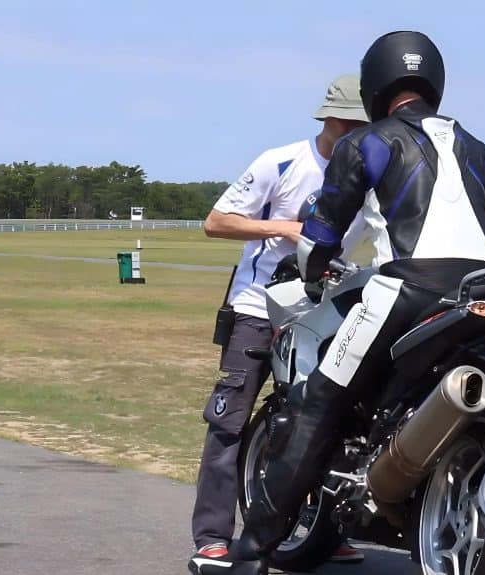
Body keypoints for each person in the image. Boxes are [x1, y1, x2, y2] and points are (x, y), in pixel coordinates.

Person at [225, 31, 485, 575]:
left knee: (319, 404)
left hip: (407, 290)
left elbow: (323, 231)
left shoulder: (368, 142)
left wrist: (308, 270)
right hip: (480, 292)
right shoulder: (476, 147)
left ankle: (250, 552)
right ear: (434, 83)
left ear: (374, 83)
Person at [188, 75, 369, 575]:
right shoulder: (281, 160)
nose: (356, 134)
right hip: (256, 309)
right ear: (329, 119)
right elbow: (216, 221)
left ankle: (321, 534)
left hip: (324, 315)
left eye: (364, 126)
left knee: (328, 425)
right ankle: (212, 539)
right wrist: (285, 228)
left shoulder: (373, 176)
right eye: (349, 124)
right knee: (229, 421)